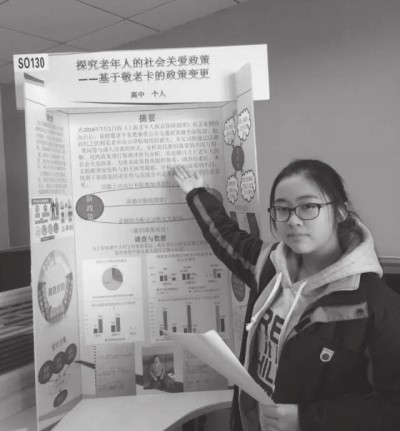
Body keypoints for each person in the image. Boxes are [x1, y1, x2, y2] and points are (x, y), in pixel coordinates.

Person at [173, 160, 400, 431]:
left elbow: (392, 409)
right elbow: (226, 238)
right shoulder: (270, 265)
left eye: (308, 206)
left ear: (341, 211)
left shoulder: (375, 305)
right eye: (282, 209)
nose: (293, 220)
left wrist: (306, 419)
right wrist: (196, 193)